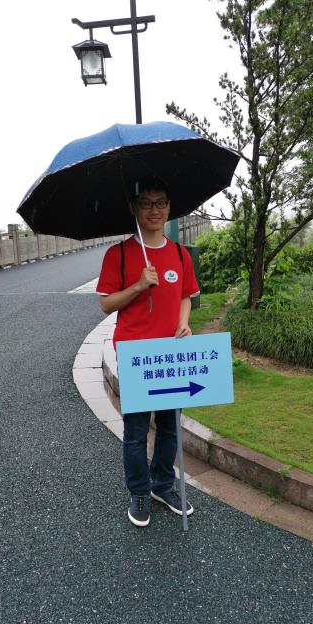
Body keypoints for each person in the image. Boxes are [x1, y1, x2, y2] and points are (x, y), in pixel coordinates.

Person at [96, 177, 200, 527]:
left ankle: (163, 485)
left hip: (171, 355)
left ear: (169, 208)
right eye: (146, 203)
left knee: (170, 428)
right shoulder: (119, 254)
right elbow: (106, 304)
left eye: (161, 203)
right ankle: (139, 491)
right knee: (137, 431)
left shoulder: (180, 254)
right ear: (134, 208)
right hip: (136, 356)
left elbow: (186, 295)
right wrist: (139, 285)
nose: (154, 210)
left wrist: (183, 323)